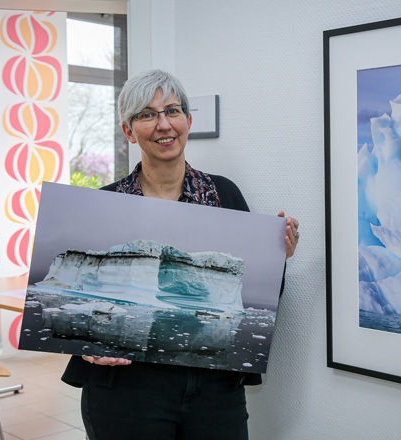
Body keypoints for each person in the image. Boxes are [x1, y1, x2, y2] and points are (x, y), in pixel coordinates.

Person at [60, 69, 299, 440]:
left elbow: (254, 296)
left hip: (214, 386)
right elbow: (75, 298)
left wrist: (276, 257)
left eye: (172, 111)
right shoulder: (104, 205)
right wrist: (87, 343)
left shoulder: (225, 195)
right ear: (128, 131)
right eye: (146, 114)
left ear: (188, 120)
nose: (163, 124)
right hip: (126, 387)